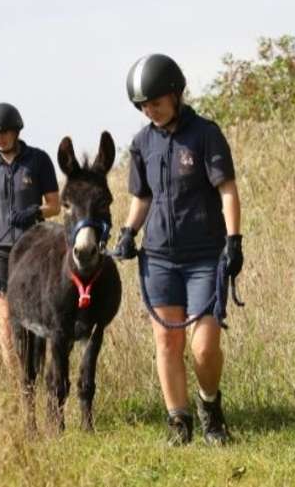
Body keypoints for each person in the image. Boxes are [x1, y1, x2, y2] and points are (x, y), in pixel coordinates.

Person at [114, 54, 243, 446]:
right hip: (159, 258)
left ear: (176, 93)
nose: (149, 111)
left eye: (155, 102)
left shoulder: (205, 134)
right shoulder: (142, 143)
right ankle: (179, 422)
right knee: (167, 342)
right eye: (142, 106)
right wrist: (127, 231)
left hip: (205, 256)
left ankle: (210, 407)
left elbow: (227, 190)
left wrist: (234, 241)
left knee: (204, 346)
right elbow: (143, 197)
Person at [0, 102, 60, 369]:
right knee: (7, 316)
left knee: (36, 312)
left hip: (34, 247)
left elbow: (54, 205)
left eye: (5, 132)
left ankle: (38, 369)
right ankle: (19, 381)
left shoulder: (39, 160)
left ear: (16, 130)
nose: (0, 138)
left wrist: (35, 212)